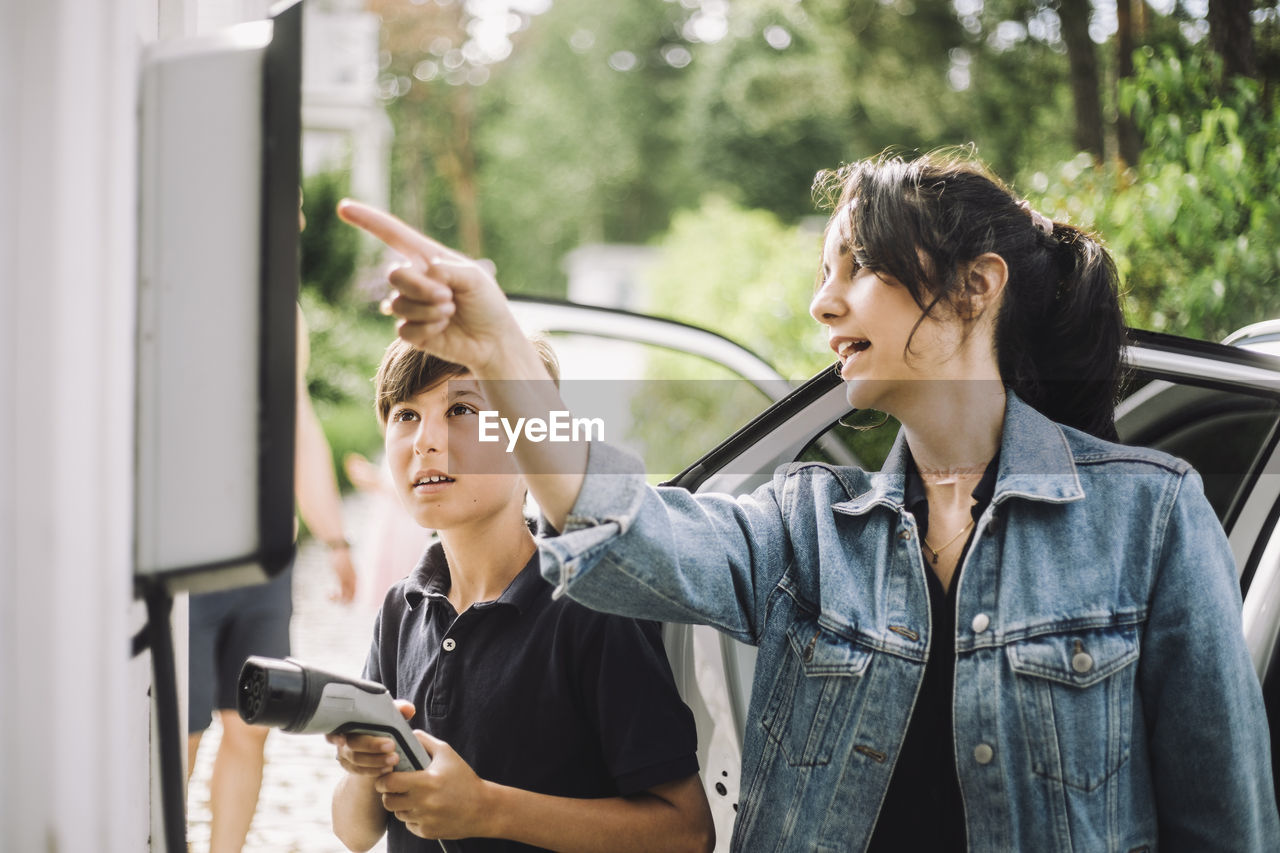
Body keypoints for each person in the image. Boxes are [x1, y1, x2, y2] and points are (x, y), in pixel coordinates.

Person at [336, 147, 1280, 852]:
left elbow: (1224, 820)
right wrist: (501, 352)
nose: (823, 305)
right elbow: (628, 527)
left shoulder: (1149, 517)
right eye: (823, 276)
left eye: (855, 268)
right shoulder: (808, 526)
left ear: (971, 291)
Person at [326, 336, 714, 853]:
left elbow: (686, 832)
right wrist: (362, 769)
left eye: (461, 409)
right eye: (405, 415)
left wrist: (487, 808)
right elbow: (354, 833)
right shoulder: (401, 609)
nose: (425, 440)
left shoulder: (592, 605)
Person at [187, 305, 359, 853]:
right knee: (180, 736)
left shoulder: (284, 308)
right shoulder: (184, 294)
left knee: (250, 725)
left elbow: (297, 419)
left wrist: (333, 537)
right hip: (187, 564)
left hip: (265, 563)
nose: (299, 220)